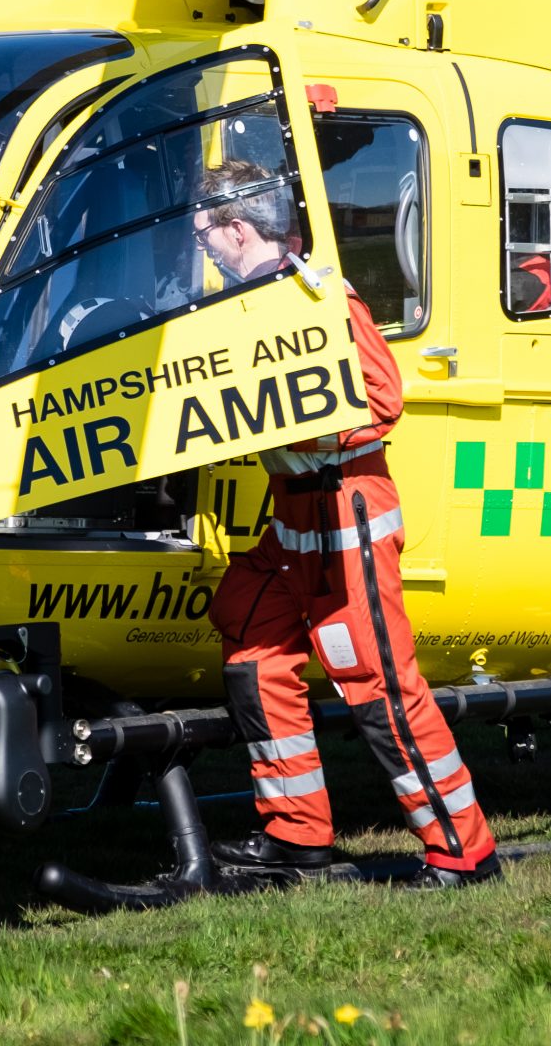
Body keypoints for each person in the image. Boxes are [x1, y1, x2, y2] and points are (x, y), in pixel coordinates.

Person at [202, 158, 501, 889]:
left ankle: (464, 852)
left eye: (204, 231)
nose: (201, 246)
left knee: (380, 685)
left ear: (237, 229)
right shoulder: (238, 307)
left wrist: (293, 426)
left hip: (346, 516)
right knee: (252, 643)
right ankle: (296, 835)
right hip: (294, 520)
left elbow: (383, 398)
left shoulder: (319, 295)